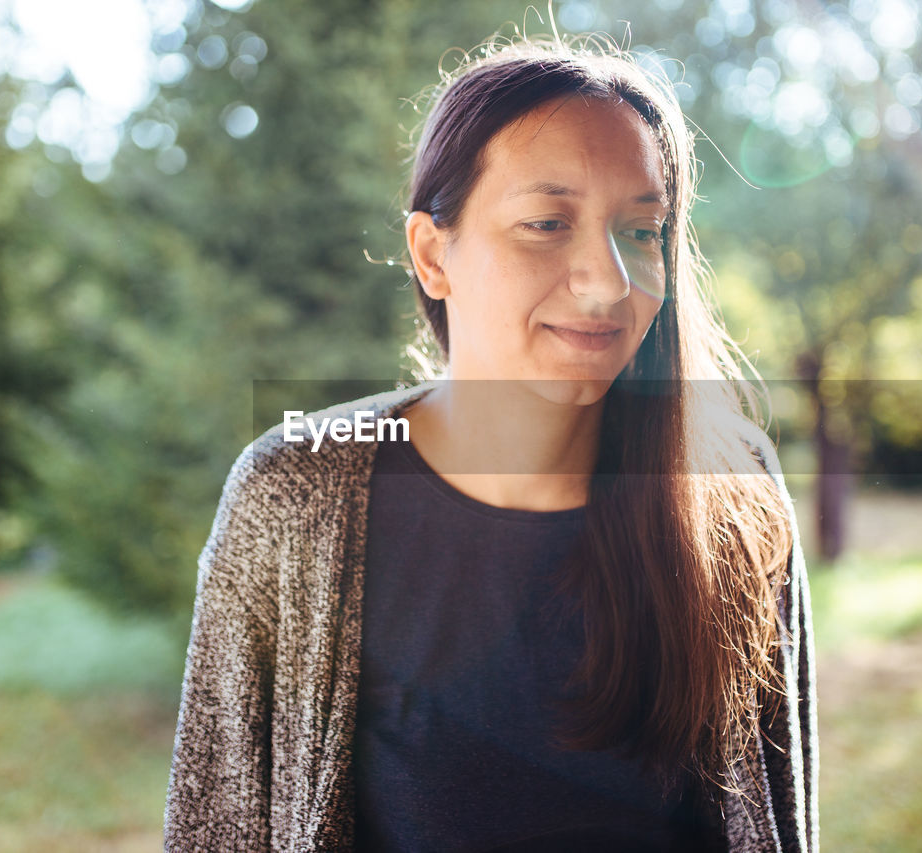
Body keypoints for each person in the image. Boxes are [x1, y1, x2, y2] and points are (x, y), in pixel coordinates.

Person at [164, 34, 817, 853]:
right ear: (434, 255)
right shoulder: (293, 494)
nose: (609, 279)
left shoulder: (734, 490)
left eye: (642, 230)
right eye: (547, 223)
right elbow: (214, 830)